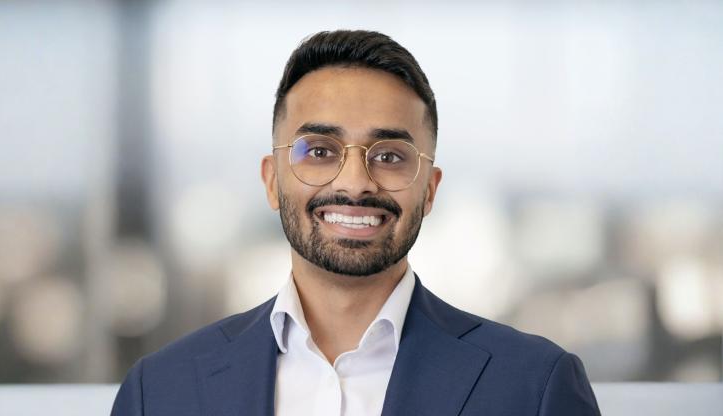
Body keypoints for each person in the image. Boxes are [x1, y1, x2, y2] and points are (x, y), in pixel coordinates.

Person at [111, 30, 601, 416]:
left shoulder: (533, 386)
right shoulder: (159, 391)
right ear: (271, 180)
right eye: (320, 151)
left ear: (429, 188)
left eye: (389, 155)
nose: (355, 183)